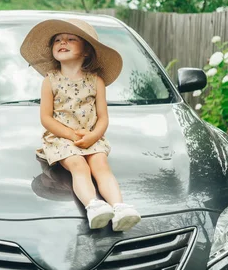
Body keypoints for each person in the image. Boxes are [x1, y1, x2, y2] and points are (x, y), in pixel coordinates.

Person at [20, 18, 141, 232]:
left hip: (91, 137)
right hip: (61, 139)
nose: (62, 42)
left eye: (70, 39)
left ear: (86, 50)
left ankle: (120, 207)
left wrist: (94, 136)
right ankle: (93, 206)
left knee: (101, 166)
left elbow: (103, 117)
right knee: (78, 165)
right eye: (57, 40)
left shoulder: (96, 81)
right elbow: (46, 118)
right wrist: (70, 135)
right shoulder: (50, 81)